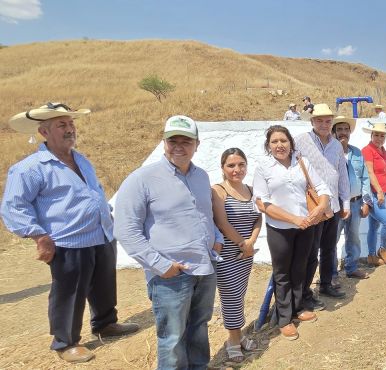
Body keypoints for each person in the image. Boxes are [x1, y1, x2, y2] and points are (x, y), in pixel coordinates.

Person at [1, 103, 139, 364]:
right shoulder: (31, 168)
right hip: (67, 241)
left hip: (101, 235)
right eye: (61, 125)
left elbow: (92, 190)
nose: (69, 129)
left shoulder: (80, 159)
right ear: (44, 131)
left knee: (104, 283)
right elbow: (13, 206)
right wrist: (38, 236)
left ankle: (105, 324)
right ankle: (66, 342)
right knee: (69, 292)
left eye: (71, 124)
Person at [114, 115, 223, 369]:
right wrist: (161, 266)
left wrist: (216, 240)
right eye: (172, 140)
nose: (179, 146)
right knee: (172, 339)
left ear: (197, 144)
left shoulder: (201, 177)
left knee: (198, 329)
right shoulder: (141, 179)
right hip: (170, 276)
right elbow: (126, 229)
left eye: (186, 141)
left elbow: (205, 215)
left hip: (205, 269)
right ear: (163, 143)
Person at [252, 125, 331, 340]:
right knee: (282, 273)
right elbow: (262, 203)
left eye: (283, 141)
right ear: (268, 145)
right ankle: (284, 318)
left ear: (291, 143)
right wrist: (293, 219)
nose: (280, 145)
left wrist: (320, 207)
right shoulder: (264, 168)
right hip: (280, 229)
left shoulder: (302, 162)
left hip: (306, 226)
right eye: (275, 141)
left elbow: (323, 187)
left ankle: (298, 308)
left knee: (301, 269)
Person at [294, 103, 350, 305]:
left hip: (333, 206)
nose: (324, 124)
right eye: (320, 120)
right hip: (313, 206)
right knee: (310, 252)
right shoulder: (300, 141)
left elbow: (341, 174)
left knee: (329, 248)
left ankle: (326, 283)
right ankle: (304, 294)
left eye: (328, 121)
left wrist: (345, 203)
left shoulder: (336, 145)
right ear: (312, 121)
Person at [211, 148, 262, 362]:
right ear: (223, 168)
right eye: (231, 165)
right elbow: (222, 223)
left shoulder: (251, 189)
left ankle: (238, 336)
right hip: (228, 255)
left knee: (239, 295)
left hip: (246, 254)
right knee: (230, 296)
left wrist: (251, 242)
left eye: (241, 164)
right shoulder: (218, 190)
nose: (237, 169)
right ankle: (233, 340)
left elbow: (258, 218)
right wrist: (242, 243)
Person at [332, 116, 371, 278]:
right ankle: (331, 273)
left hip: (355, 203)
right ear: (334, 132)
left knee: (353, 238)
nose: (343, 133)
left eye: (346, 129)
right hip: (336, 205)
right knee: (331, 241)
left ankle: (352, 267)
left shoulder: (356, 152)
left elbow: (364, 178)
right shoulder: (329, 152)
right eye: (339, 129)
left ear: (350, 132)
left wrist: (366, 202)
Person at [362, 122, 386, 268]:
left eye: (382, 136)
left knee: (374, 226)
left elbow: (380, 169)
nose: (379, 138)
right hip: (373, 193)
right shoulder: (367, 150)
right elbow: (370, 172)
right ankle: (382, 249)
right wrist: (378, 191)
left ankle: (371, 256)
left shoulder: (382, 150)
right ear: (371, 135)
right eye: (376, 135)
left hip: (381, 192)